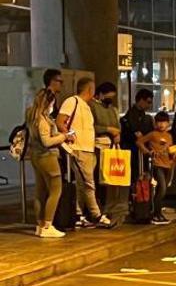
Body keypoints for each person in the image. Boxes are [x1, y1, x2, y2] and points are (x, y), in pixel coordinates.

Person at [57, 77, 112, 229]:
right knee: (89, 183)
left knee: (83, 184)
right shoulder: (72, 101)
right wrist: (68, 136)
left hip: (88, 149)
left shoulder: (86, 106)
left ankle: (79, 214)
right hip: (79, 149)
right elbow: (60, 121)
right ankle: (96, 214)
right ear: (89, 89)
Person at [26, 89, 68, 238]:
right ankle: (48, 225)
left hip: (36, 157)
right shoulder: (42, 119)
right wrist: (63, 137)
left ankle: (39, 225)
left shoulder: (31, 116)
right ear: (49, 102)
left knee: (40, 191)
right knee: (56, 190)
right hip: (47, 157)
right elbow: (46, 141)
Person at [90, 82, 125, 225]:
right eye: (108, 96)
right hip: (98, 145)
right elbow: (93, 126)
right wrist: (108, 129)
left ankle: (109, 208)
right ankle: (98, 209)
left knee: (111, 179)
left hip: (111, 146)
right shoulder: (92, 106)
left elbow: (117, 125)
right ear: (101, 94)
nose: (110, 99)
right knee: (99, 178)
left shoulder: (112, 109)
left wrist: (116, 133)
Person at [136, 112, 174, 225]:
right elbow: (139, 142)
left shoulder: (169, 136)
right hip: (157, 165)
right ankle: (156, 214)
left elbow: (171, 150)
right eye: (159, 122)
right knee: (161, 189)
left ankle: (157, 214)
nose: (161, 124)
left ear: (168, 123)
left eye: (164, 122)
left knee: (162, 190)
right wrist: (148, 152)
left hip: (167, 165)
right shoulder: (153, 134)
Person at [121, 89, 155, 178]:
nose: (149, 105)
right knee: (136, 176)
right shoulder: (130, 118)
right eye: (148, 102)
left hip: (139, 152)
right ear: (140, 100)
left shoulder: (144, 117)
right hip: (134, 152)